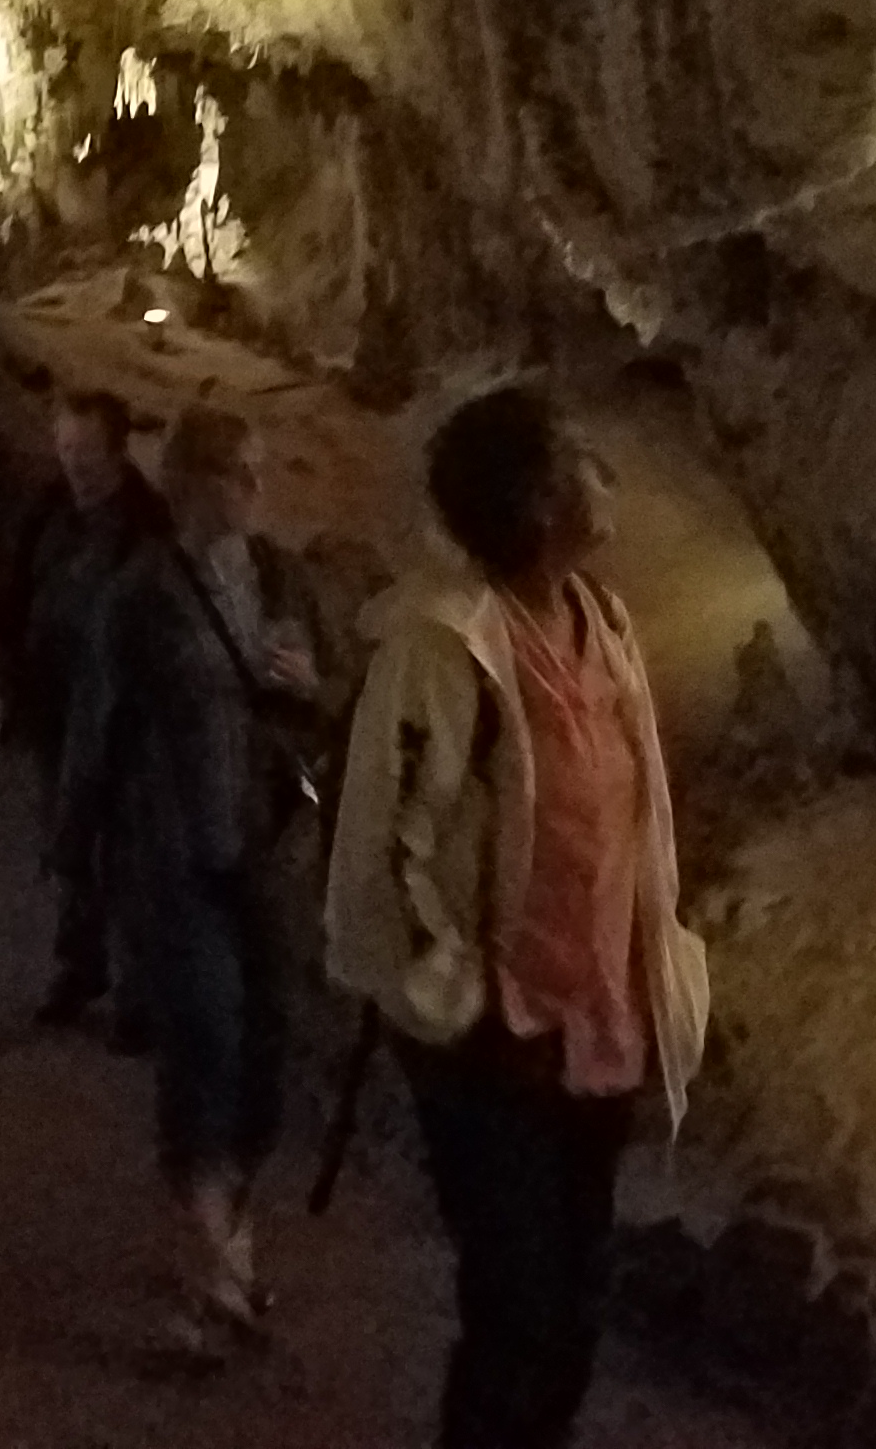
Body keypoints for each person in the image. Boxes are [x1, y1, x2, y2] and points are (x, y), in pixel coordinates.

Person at [324, 383, 711, 1449]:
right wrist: (457, 997)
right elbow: (386, 844)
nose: (605, 473)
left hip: (597, 1029)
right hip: (492, 1045)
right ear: (538, 500)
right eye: (580, 456)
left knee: (576, 1307)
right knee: (516, 1313)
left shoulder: (605, 621)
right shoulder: (445, 648)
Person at [64, 405, 326, 1363]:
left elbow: (320, 703)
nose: (256, 492)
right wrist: (78, 862)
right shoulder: (140, 596)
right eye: (238, 474)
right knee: (206, 1039)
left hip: (258, 845)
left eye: (259, 473)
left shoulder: (279, 576)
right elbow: (97, 727)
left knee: (266, 1046)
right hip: (171, 852)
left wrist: (308, 683)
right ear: (190, 484)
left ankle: (229, 1233)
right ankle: (214, 1270)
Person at [7, 384, 160, 1032]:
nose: (75, 461)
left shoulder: (146, 523)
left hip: (117, 715)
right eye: (65, 445)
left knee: (123, 849)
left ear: (118, 449)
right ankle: (80, 964)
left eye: (87, 449)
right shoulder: (47, 508)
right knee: (66, 841)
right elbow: (18, 592)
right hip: (54, 705)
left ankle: (136, 988)